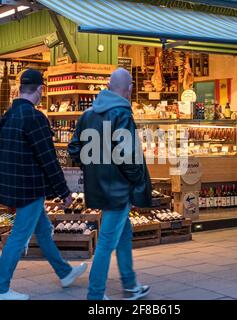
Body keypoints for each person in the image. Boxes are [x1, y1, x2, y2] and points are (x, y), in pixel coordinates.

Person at [0, 69, 87, 300]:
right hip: (30, 188)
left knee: (43, 230)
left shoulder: (8, 115)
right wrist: (64, 192)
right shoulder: (35, 118)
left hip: (12, 185)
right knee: (19, 237)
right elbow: (48, 159)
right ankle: (0, 289)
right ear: (40, 90)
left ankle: (64, 273)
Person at [68, 68, 152, 300]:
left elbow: (74, 149)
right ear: (129, 88)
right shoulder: (122, 114)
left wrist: (95, 167)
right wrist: (137, 180)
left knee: (123, 236)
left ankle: (130, 285)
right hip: (119, 189)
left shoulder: (88, 114)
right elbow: (128, 156)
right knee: (106, 243)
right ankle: (95, 295)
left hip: (98, 187)